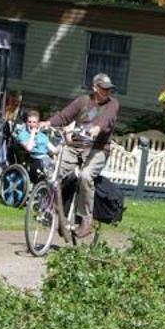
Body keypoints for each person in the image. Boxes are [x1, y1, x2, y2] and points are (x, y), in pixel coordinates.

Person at [47, 74, 120, 239]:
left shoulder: (112, 104)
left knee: (86, 176)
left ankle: (86, 220)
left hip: (98, 149)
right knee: (54, 174)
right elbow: (64, 116)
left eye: (109, 89)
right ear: (95, 87)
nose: (107, 91)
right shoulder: (83, 101)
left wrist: (97, 129)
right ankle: (58, 214)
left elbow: (107, 120)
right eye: (104, 88)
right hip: (77, 146)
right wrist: (48, 123)